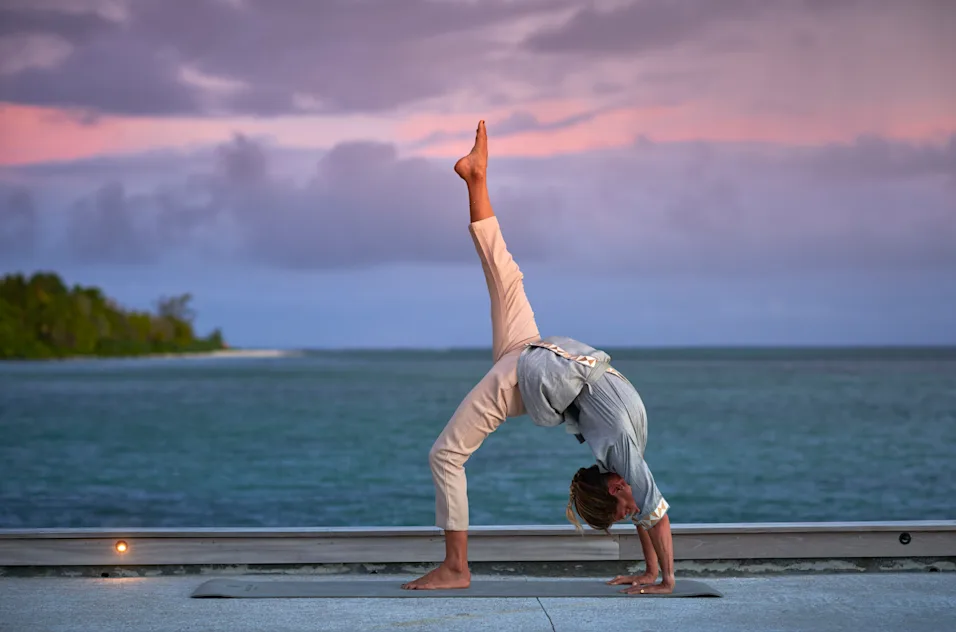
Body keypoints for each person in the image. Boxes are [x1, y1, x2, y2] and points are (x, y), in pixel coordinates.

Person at [401, 121, 675, 595]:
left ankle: (455, 566)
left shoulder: (621, 453)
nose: (635, 514)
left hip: (535, 364)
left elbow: (646, 509)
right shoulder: (623, 451)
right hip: (526, 362)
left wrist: (654, 571)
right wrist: (666, 578)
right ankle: (476, 179)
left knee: (447, 453)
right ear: (616, 488)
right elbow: (656, 515)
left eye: (626, 512)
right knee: (502, 272)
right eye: (624, 510)